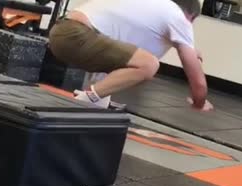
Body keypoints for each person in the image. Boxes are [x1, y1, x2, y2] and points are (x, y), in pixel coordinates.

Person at [48, 0, 213, 111]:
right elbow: (197, 80)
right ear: (189, 16)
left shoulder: (148, 8)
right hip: (75, 35)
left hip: (61, 34)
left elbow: (126, 58)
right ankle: (83, 100)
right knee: (149, 65)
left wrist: (186, 48)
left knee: (128, 64)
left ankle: (92, 105)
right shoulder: (177, 17)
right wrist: (199, 102)